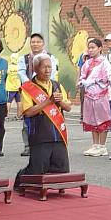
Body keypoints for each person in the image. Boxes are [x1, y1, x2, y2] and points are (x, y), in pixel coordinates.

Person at [14, 53, 71, 188]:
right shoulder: (28, 88)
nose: (47, 71)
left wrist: (60, 102)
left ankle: (50, 185)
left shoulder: (56, 85)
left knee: (62, 170)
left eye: (49, 67)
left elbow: (68, 107)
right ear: (35, 69)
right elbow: (28, 112)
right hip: (40, 134)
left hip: (58, 133)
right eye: (44, 67)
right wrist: (48, 101)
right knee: (37, 170)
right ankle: (20, 178)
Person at [17, 33, 58, 156]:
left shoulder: (51, 57)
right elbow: (21, 73)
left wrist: (40, 84)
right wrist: (31, 86)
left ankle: (48, 144)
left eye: (38, 42)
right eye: (33, 42)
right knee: (28, 120)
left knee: (47, 119)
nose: (35, 44)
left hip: (46, 92)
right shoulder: (23, 59)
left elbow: (52, 73)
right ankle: (28, 146)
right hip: (29, 92)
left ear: (43, 43)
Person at [77, 37, 111, 156]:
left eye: (93, 48)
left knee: (102, 119)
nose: (90, 50)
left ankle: (102, 146)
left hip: (100, 95)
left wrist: (95, 81)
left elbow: (107, 77)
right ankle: (95, 144)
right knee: (91, 119)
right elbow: (82, 75)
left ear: (100, 48)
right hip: (89, 94)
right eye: (89, 48)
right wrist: (82, 82)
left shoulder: (104, 62)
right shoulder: (87, 62)